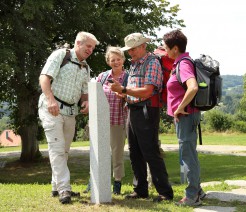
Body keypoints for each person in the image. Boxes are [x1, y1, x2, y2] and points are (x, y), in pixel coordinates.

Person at [110, 32, 173, 202]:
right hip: (132, 109)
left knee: (150, 151)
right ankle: (140, 190)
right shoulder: (134, 64)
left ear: (144, 46)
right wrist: (124, 95)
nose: (130, 52)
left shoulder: (152, 63)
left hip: (147, 110)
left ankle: (165, 193)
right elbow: (134, 89)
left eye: (133, 49)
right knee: (134, 151)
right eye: (129, 50)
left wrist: (123, 90)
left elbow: (147, 91)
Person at [38, 31, 99, 204]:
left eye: (93, 48)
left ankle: (55, 187)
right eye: (88, 46)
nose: (90, 50)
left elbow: (84, 91)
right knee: (57, 149)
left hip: (70, 112)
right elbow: (44, 78)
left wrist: (85, 102)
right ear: (78, 43)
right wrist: (50, 100)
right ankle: (65, 189)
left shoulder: (85, 67)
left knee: (64, 150)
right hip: (51, 108)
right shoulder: (60, 55)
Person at [162, 29, 206, 206]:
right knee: (190, 154)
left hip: (186, 116)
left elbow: (193, 87)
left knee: (187, 156)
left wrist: (179, 108)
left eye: (166, 48)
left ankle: (191, 196)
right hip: (188, 116)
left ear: (174, 48)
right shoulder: (180, 62)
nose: (165, 51)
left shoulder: (183, 64)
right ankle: (198, 191)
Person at [84, 46, 128, 195]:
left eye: (118, 59)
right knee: (98, 152)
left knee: (117, 154)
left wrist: (123, 94)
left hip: (118, 121)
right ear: (108, 62)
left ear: (123, 60)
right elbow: (93, 94)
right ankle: (94, 180)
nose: (115, 62)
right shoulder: (102, 77)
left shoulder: (128, 77)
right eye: (112, 60)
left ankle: (117, 183)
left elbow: (132, 97)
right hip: (100, 121)